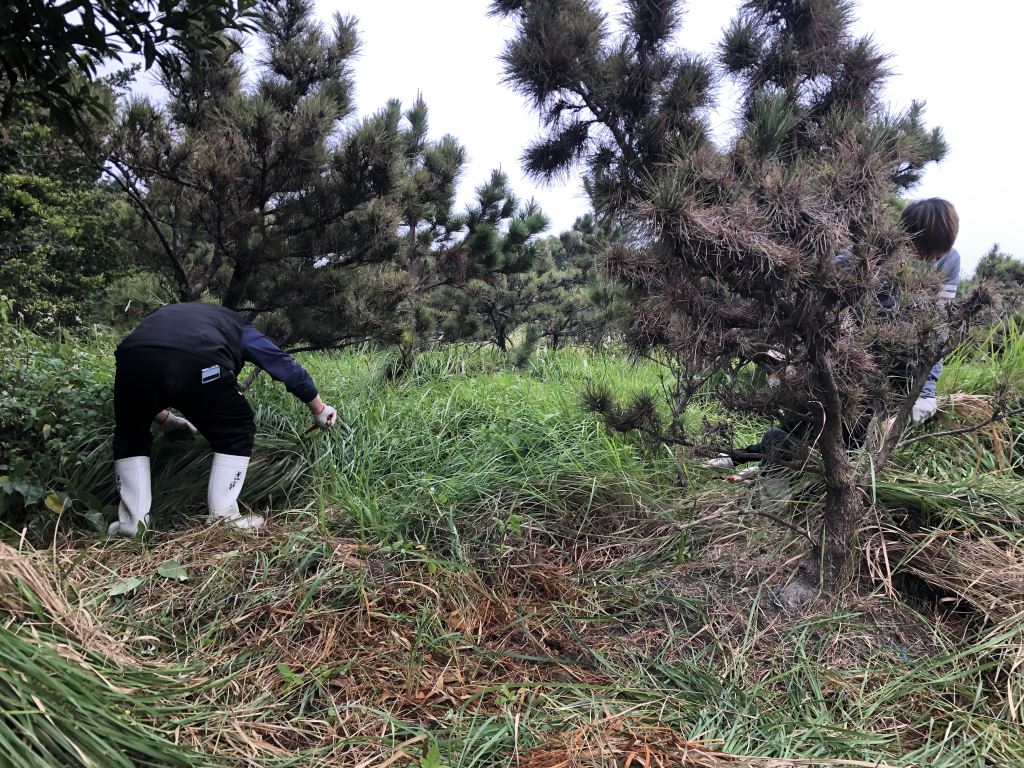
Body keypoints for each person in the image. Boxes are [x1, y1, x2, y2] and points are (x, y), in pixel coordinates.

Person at [709, 198, 962, 472]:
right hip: (850, 350)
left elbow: (938, 327)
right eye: (920, 252)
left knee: (853, 436)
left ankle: (768, 467)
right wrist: (796, 349)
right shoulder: (874, 250)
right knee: (807, 417)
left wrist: (926, 391)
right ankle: (742, 460)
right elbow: (819, 284)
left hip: (897, 360)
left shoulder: (950, 262)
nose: (927, 262)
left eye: (935, 256)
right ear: (905, 235)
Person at [108, 302, 337, 536]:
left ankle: (132, 525)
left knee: (130, 434)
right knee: (236, 429)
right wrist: (319, 409)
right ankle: (223, 517)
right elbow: (284, 366)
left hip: (131, 358)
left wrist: (166, 420)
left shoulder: (161, 315)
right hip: (201, 361)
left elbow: (151, 370)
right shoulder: (238, 326)